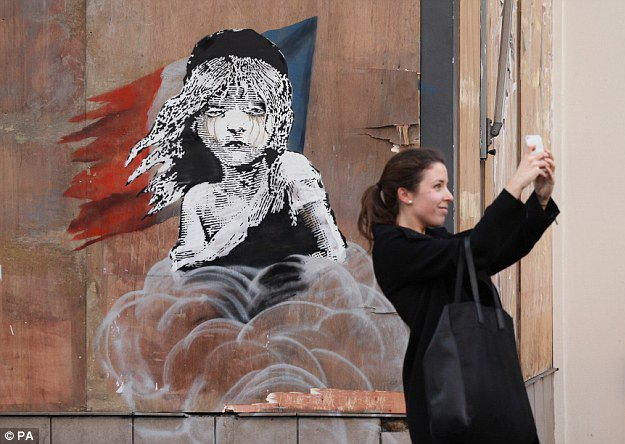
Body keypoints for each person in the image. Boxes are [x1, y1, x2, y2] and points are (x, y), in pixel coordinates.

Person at [358, 146, 559, 443]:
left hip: (479, 385)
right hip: (447, 394)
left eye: (447, 186)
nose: (449, 196)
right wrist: (515, 184)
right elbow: (477, 247)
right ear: (405, 194)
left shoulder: (437, 242)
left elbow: (495, 251)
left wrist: (539, 200)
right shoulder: (395, 249)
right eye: (438, 186)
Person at [125, 29, 346, 271]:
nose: (236, 126)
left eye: (255, 110)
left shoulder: (290, 171)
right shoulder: (199, 200)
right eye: (217, 111)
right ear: (197, 122)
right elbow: (186, 271)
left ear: (279, 120)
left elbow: (333, 252)